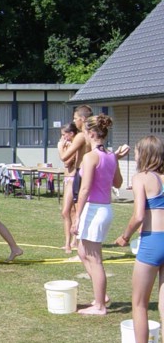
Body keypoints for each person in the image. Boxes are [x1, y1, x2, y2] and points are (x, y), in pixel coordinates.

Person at [115, 136, 164, 343]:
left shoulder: (141, 178)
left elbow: (138, 216)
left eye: (136, 151)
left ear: (144, 154)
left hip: (152, 241)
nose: (134, 155)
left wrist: (124, 236)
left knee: (139, 304)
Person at [71, 114, 123, 315]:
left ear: (91, 133)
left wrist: (76, 218)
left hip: (94, 209)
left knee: (94, 258)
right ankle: (101, 295)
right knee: (83, 252)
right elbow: (117, 182)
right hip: (103, 209)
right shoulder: (110, 157)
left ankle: (100, 305)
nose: (83, 136)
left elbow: (84, 190)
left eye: (84, 132)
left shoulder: (90, 157)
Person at [57, 123, 79, 253]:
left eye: (64, 134)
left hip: (73, 179)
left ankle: (73, 242)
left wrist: (61, 148)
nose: (62, 138)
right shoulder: (68, 145)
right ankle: (68, 242)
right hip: (67, 179)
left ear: (71, 134)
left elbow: (66, 162)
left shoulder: (75, 145)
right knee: (67, 211)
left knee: (71, 211)